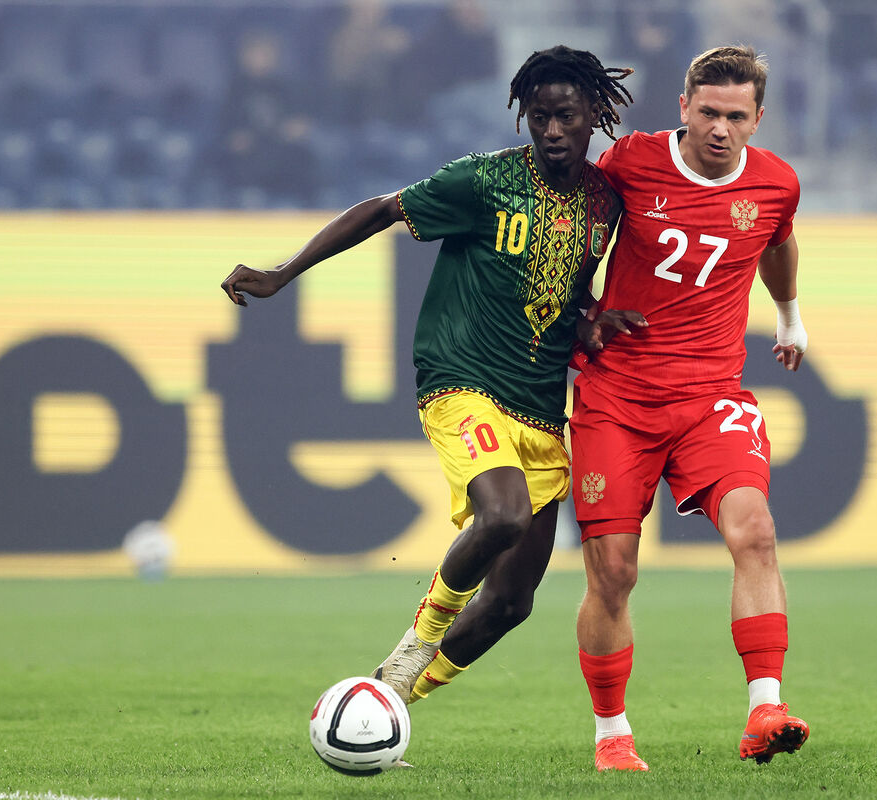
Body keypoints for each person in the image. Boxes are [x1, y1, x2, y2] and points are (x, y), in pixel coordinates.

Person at [220, 46, 639, 708]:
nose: (553, 130)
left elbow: (567, 285)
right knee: (502, 516)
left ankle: (389, 699)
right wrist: (283, 272)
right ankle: (416, 644)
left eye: (566, 116)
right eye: (539, 117)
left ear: (595, 114)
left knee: (512, 603)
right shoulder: (483, 180)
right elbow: (382, 209)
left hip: (538, 405)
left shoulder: (603, 203)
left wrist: (589, 319)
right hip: (462, 380)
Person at [570, 45, 810, 771]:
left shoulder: (776, 184)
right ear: (683, 106)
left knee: (756, 531)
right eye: (708, 112)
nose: (720, 129)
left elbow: (778, 242)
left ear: (758, 118)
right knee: (614, 572)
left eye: (736, 116)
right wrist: (577, 313)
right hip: (617, 397)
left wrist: (789, 317)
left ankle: (765, 708)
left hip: (711, 397)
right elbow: (576, 238)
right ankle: (612, 734)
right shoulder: (631, 164)